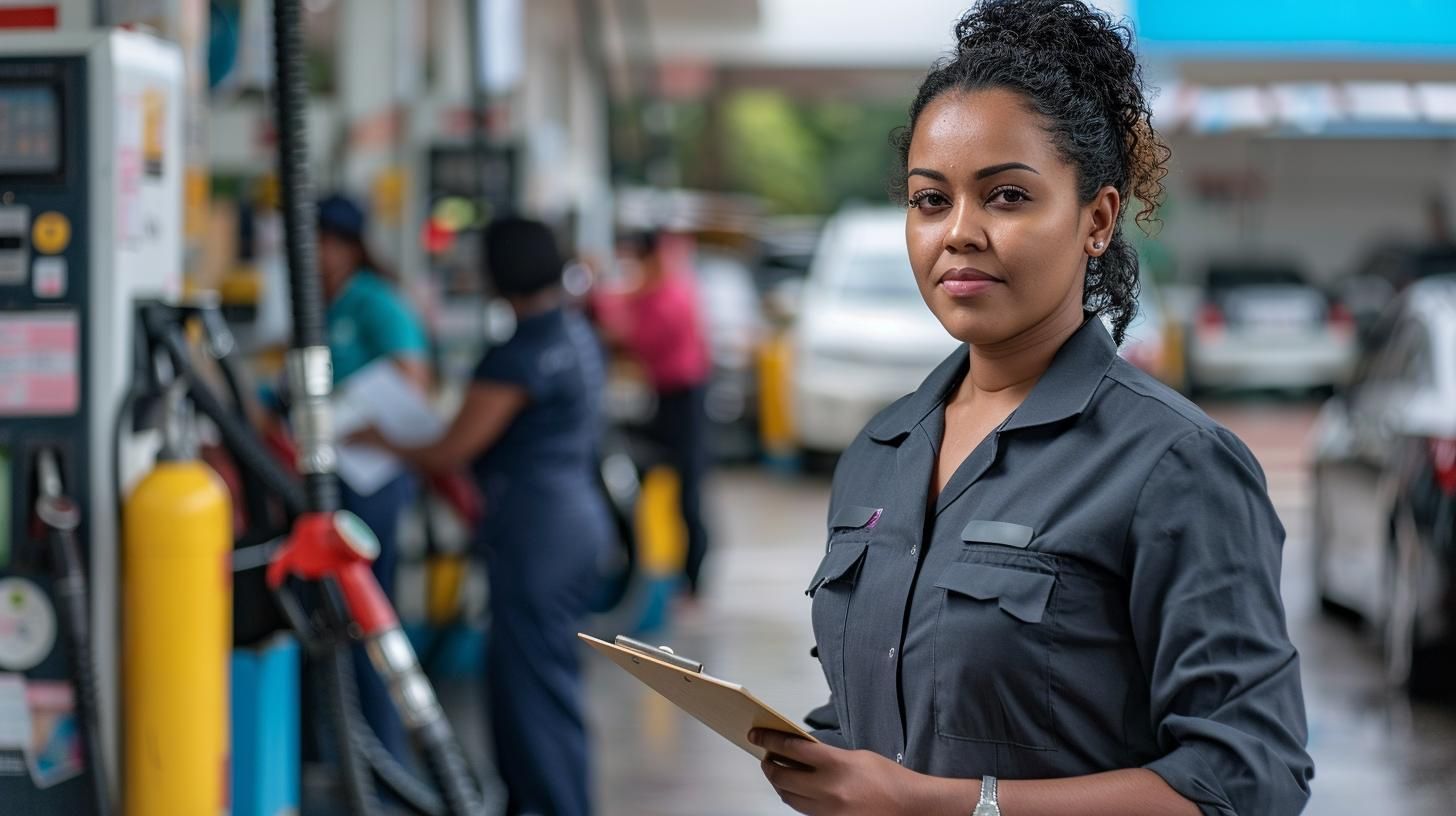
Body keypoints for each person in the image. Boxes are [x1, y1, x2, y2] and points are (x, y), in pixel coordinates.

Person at [751, 2, 1314, 814]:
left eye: (1007, 197)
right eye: (930, 200)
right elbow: (889, 718)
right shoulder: (881, 449)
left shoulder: (1174, 464)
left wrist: (938, 805)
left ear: (1097, 219)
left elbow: (1249, 779)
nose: (960, 233)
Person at [355, 216, 608, 816]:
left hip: (536, 533)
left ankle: (550, 806)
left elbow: (452, 448)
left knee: (530, 693)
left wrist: (380, 438)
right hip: (571, 523)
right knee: (540, 683)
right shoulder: (573, 334)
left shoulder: (520, 353)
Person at [317, 192, 431, 762]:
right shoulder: (325, 303)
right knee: (335, 621)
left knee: (371, 618)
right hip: (331, 479)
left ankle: (385, 759)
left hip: (372, 480)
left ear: (342, 245)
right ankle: (346, 752)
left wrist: (360, 420)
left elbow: (413, 380)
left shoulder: (374, 302)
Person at [594, 230, 714, 599]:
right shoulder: (648, 291)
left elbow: (634, 338)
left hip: (685, 399)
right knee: (632, 480)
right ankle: (640, 574)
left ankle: (692, 583)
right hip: (660, 398)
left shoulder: (670, 296)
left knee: (688, 495)